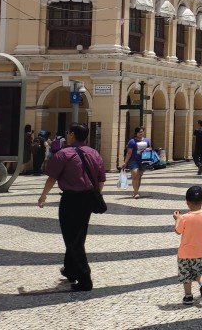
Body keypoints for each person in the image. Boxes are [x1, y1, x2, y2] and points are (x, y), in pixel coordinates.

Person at [38, 123, 106, 292]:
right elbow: (101, 179)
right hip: (88, 198)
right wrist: (95, 195)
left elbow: (52, 178)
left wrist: (43, 195)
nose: (67, 135)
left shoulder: (64, 154)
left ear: (72, 135)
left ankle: (84, 279)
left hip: (70, 199)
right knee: (78, 235)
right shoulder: (94, 153)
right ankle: (70, 269)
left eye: (68, 132)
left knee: (72, 237)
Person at [174, 185, 202, 305]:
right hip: (200, 252)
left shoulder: (184, 218)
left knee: (186, 275)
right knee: (199, 272)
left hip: (185, 253)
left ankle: (188, 296)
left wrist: (177, 219)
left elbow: (178, 231)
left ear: (187, 202)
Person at [121, 126, 153, 198]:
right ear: (136, 133)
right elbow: (129, 153)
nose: (140, 133)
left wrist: (148, 149)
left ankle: (136, 191)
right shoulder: (132, 141)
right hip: (133, 160)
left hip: (143, 160)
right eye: (139, 132)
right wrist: (125, 162)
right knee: (135, 175)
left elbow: (150, 148)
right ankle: (135, 193)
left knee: (139, 176)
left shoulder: (147, 140)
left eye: (141, 132)